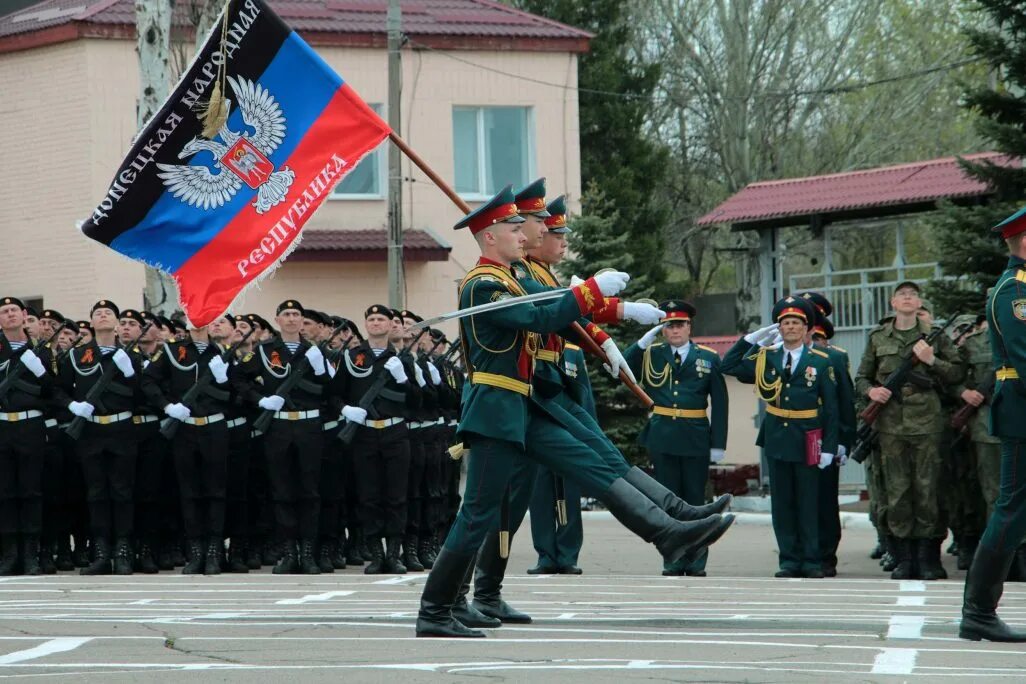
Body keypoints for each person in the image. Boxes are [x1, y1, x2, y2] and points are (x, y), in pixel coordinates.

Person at [415, 185, 728, 639]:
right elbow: (536, 318)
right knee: (478, 515)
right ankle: (436, 609)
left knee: (590, 462)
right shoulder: (481, 284)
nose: (523, 233)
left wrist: (604, 319)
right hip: (495, 413)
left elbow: (552, 309)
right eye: (511, 226)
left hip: (524, 405)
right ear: (489, 237)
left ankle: (667, 531)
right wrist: (589, 292)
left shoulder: (510, 280)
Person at [721, 296, 839, 578]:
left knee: (808, 502)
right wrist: (750, 340)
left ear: (807, 328)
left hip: (808, 437)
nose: (791, 327)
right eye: (785, 323)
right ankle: (789, 559)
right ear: (779, 329)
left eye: (797, 322)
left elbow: (832, 410)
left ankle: (811, 560)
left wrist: (829, 448)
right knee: (783, 503)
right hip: (777, 438)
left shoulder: (820, 362)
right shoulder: (767, 358)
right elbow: (729, 366)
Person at [855, 281, 964, 580]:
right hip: (891, 426)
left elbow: (956, 373)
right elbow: (861, 377)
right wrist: (872, 392)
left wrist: (932, 360)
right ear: (892, 302)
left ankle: (929, 558)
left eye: (913, 295)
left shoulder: (934, 336)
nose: (907, 298)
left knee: (929, 490)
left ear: (919, 304)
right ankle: (904, 558)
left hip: (928, 425)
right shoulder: (878, 337)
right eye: (902, 294)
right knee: (898, 492)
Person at [959, 208, 1026, 641]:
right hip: (1022, 412)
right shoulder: (1012, 292)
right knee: (1011, 510)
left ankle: (978, 611)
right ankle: (979, 611)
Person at [624, 299, 728, 576]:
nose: (675, 330)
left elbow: (720, 402)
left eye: (680, 325)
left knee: (695, 502)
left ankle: (696, 561)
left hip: (695, 435)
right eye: (669, 326)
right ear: (663, 329)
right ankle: (673, 558)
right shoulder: (652, 353)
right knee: (667, 502)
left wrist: (718, 443)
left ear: (689, 327)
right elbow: (621, 366)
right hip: (663, 435)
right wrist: (641, 344)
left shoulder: (708, 357)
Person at [237, 300, 329, 574]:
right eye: (286, 314)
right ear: (277, 320)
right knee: (282, 491)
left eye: (296, 315)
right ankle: (289, 552)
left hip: (309, 426)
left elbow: (332, 389)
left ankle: (309, 553)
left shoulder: (313, 352)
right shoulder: (264, 351)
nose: (291, 319)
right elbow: (239, 379)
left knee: (310, 492)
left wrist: (322, 368)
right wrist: (261, 399)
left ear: (302, 321)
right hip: (278, 427)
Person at [331, 304, 422, 574]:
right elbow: (334, 394)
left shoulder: (403, 359)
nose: (375, 323)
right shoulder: (352, 358)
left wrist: (403, 378)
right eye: (371, 319)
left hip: (395, 432)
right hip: (365, 433)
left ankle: (394, 554)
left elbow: (419, 401)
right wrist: (346, 410)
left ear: (390, 324)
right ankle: (376, 554)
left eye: (381, 319)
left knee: (396, 496)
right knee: (368, 496)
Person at [54, 300, 144, 575]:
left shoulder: (133, 356)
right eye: (97, 313)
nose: (103, 315)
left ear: (117, 324)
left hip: (122, 430)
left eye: (108, 313)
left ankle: (124, 549)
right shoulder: (75, 356)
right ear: (91, 323)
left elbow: (144, 396)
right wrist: (72, 406)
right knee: (96, 493)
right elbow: (58, 391)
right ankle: (102, 550)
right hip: (91, 431)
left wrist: (130, 372)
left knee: (123, 492)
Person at [803, 294, 856, 577]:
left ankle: (825, 554)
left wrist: (844, 441)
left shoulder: (835, 358)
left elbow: (845, 403)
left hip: (825, 437)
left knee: (824, 499)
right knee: (799, 499)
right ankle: (802, 552)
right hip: (796, 436)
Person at [0, 297, 53, 575]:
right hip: (2, 427)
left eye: (13, 311)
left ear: (23, 315)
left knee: (31, 490)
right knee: (5, 491)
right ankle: (10, 553)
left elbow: (52, 390)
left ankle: (31, 553)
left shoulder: (40, 350)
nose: (9, 315)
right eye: (4, 312)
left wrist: (39, 370)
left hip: (30, 426)